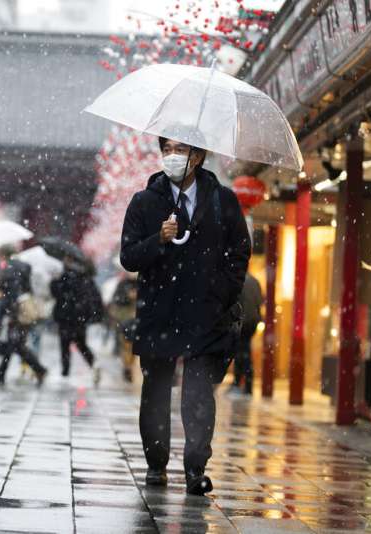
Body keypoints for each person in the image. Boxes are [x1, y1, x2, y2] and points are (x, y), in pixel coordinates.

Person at [120, 136, 250, 496]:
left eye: (180, 149)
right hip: (159, 312)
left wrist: (219, 293)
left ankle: (195, 469)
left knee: (197, 395)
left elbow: (240, 252)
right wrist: (158, 238)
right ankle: (156, 464)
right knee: (156, 393)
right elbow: (129, 256)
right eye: (166, 150)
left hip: (206, 316)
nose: (172, 157)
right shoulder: (145, 202)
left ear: (199, 155)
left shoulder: (223, 201)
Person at [0, 245, 48, 386]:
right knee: (16, 344)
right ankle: (2, 375)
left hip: (14, 312)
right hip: (24, 311)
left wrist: (0, 288)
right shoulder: (25, 266)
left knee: (15, 344)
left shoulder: (8, 268)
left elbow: (10, 292)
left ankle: (38, 369)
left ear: (3, 254)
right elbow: (27, 288)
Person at [50, 256, 103, 384]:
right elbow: (94, 296)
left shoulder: (64, 276)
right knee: (81, 343)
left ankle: (65, 372)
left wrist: (54, 281)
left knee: (65, 344)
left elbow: (56, 292)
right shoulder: (85, 276)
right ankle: (93, 363)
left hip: (65, 315)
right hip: (80, 316)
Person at [233, 272, 263, 394]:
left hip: (243, 321)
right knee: (244, 349)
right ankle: (245, 381)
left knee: (240, 351)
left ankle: (239, 381)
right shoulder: (255, 281)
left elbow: (237, 302)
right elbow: (259, 302)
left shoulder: (238, 280)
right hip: (252, 322)